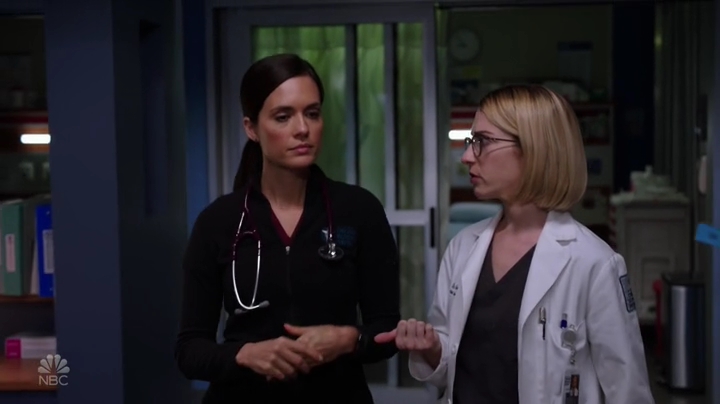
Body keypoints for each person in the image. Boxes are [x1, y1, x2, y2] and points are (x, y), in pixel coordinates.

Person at [375, 84, 655, 404]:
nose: (466, 156)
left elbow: (628, 391)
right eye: (470, 142)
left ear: (534, 149)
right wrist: (432, 348)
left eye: (482, 142)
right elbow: (449, 367)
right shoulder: (463, 247)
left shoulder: (594, 263)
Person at [175, 53, 400, 403]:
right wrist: (244, 354)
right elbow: (189, 351)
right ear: (251, 128)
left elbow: (387, 331)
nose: (302, 129)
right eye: (283, 117)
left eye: (312, 113)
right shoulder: (218, 222)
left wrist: (349, 339)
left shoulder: (359, 211)